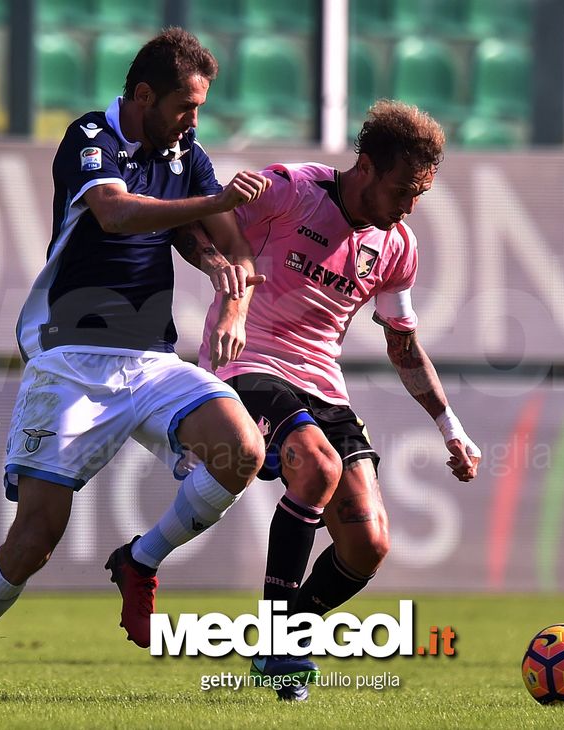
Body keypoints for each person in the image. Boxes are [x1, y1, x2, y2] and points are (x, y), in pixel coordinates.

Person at [0, 28, 269, 700]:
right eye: (186, 106)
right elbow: (116, 214)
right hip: (70, 357)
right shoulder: (90, 137)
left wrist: (233, 306)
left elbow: (233, 246)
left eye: (200, 108)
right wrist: (213, 206)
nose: (195, 121)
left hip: (149, 360)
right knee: (35, 541)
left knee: (242, 451)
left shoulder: (184, 151)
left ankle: (140, 559)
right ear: (142, 95)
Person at [185, 99, 481, 701]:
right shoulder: (290, 190)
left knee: (367, 544)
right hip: (249, 362)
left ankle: (287, 634)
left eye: (420, 194)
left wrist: (450, 425)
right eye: (402, 188)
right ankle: (276, 641)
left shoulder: (397, 246)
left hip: (323, 385)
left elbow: (403, 346)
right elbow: (196, 221)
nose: (409, 205)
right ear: (366, 167)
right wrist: (225, 274)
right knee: (316, 468)